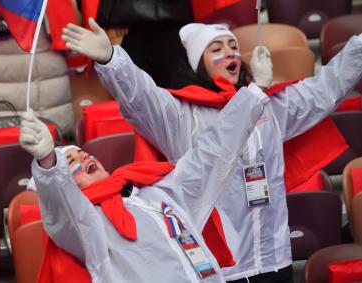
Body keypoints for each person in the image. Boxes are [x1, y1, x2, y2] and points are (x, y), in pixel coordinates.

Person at [62, 19, 362, 282]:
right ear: (196, 64)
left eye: (233, 45)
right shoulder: (179, 114)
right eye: (216, 48)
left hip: (275, 261)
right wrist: (111, 59)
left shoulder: (270, 105)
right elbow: (140, 96)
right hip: (220, 269)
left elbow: (326, 88)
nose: (230, 52)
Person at [19, 77, 269, 282]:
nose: (84, 158)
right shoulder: (86, 224)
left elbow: (211, 153)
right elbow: (62, 207)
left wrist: (253, 95)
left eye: (83, 153)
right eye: (72, 162)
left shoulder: (157, 192)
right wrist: (49, 163)